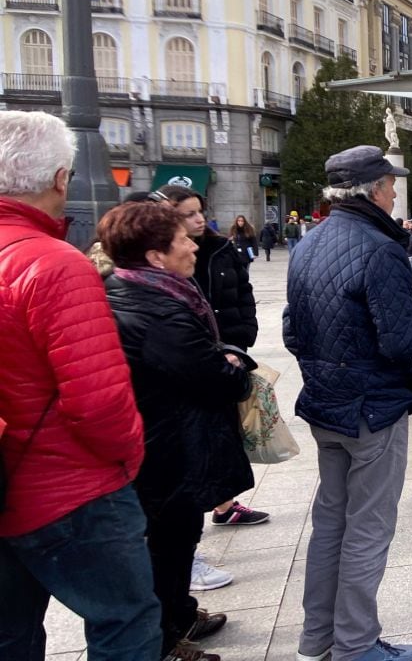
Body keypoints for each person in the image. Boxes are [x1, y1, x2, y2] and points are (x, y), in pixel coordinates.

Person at [0, 111, 162, 661]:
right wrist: (128, 461)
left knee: (11, 637)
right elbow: (98, 403)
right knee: (126, 623)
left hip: (7, 486)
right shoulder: (54, 264)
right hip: (70, 490)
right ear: (61, 180)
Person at [284, 145, 412, 661]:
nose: (395, 192)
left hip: (326, 404)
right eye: (391, 184)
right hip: (373, 409)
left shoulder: (308, 243)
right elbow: (397, 341)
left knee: (331, 523)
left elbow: (291, 330)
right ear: (374, 189)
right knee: (368, 529)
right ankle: (355, 646)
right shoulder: (381, 247)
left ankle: (318, 641)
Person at [99, 202, 255, 661]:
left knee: (179, 533)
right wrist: (233, 363)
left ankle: (180, 613)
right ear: (154, 256)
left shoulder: (137, 290)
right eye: (183, 240)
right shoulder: (157, 309)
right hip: (167, 445)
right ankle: (165, 640)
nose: (193, 243)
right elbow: (215, 378)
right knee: (168, 541)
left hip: (164, 439)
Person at [151, 187, 268, 592]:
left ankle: (223, 505)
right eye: (188, 216)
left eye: (200, 212)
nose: (198, 222)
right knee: (189, 469)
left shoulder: (220, 249)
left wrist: (243, 333)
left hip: (225, 350)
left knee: (219, 444)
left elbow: (244, 290)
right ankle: (187, 563)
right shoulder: (161, 280)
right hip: (200, 370)